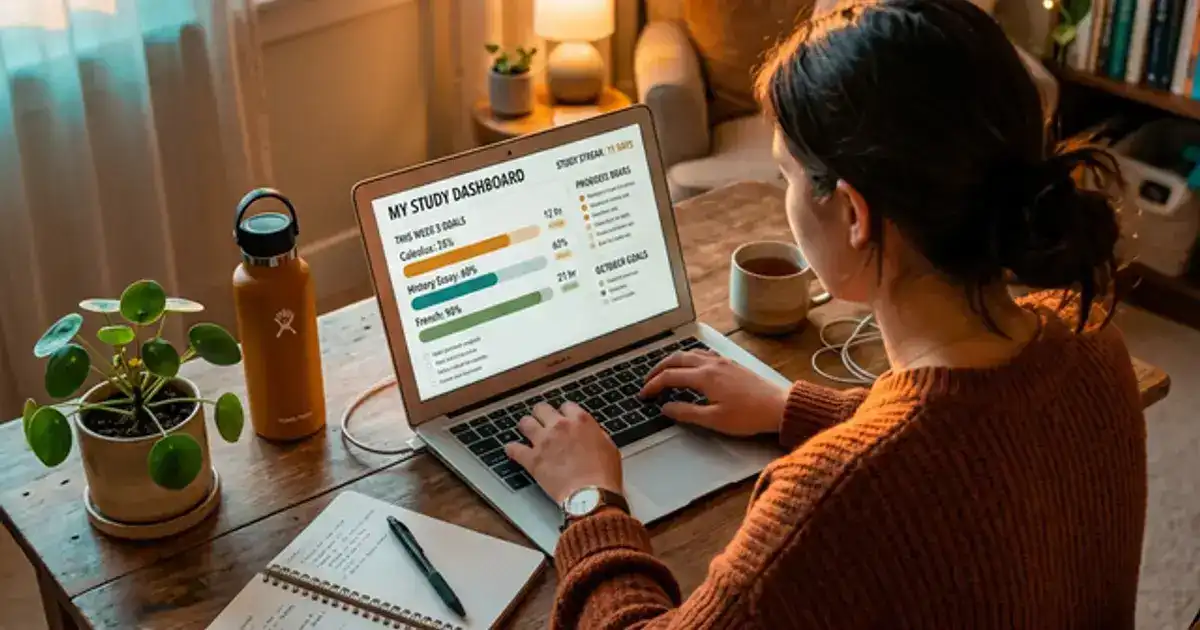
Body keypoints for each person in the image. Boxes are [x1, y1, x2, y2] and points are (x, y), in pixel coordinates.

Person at [503, 0, 1148, 625]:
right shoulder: (1093, 343)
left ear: (852, 214)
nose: (782, 196)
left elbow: (906, 466)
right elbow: (968, 441)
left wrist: (589, 500)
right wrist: (793, 408)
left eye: (786, 174)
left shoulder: (832, 498)